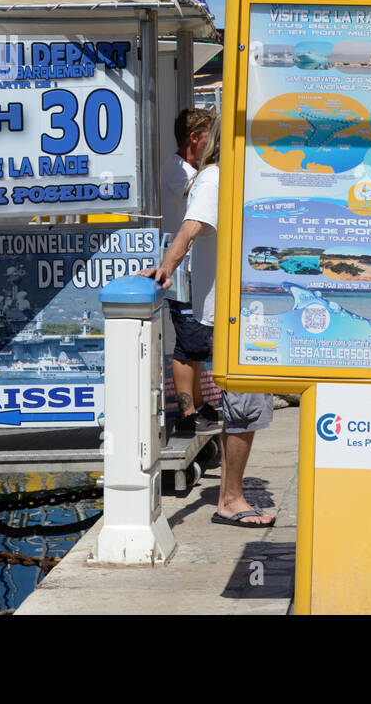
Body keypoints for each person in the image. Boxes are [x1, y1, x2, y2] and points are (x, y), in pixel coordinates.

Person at [145, 118, 276, 526]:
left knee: (245, 405)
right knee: (246, 404)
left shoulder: (229, 177)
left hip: (245, 309)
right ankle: (231, 499)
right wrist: (166, 267)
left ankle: (229, 495)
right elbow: (191, 226)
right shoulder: (216, 177)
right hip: (233, 313)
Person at [160, 108, 219, 435]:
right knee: (188, 344)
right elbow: (195, 199)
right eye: (209, 137)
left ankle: (198, 402)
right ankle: (186, 413)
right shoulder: (179, 170)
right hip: (180, 268)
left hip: (191, 267)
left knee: (195, 341)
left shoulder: (188, 169)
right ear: (194, 138)